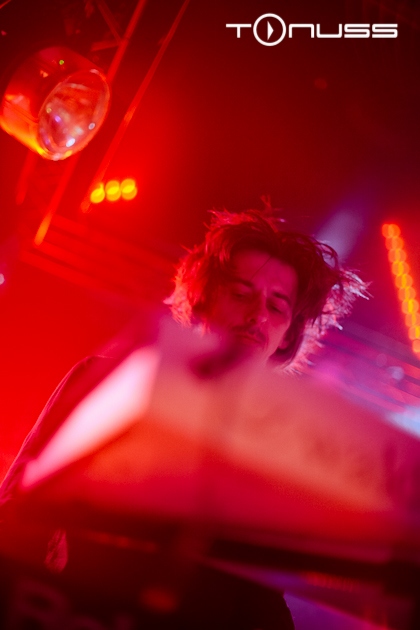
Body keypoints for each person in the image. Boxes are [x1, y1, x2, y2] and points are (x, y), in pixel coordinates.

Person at [0, 206, 367, 628]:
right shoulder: (110, 380)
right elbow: (16, 510)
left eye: (277, 306)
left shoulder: (278, 458)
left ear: (288, 335)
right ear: (202, 300)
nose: (258, 316)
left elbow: (258, 599)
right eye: (241, 294)